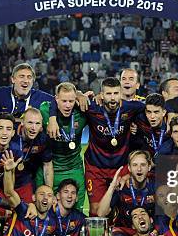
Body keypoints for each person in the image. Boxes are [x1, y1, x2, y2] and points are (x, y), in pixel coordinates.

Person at [48, 77, 144, 216]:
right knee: (95, 211)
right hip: (95, 168)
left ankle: (116, 235)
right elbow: (55, 99)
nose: (112, 98)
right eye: (108, 94)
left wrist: (137, 126)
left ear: (121, 93)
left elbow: (151, 107)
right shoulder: (91, 107)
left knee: (121, 208)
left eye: (116, 93)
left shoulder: (131, 108)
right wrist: (78, 95)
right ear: (102, 94)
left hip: (120, 168)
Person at [98, 150, 156, 236]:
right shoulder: (122, 187)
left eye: (143, 165)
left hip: (147, 231)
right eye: (135, 165)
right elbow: (101, 213)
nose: (139, 169)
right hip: (125, 232)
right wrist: (112, 187)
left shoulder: (155, 187)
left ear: (149, 167)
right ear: (129, 168)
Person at [40, 82, 87, 210]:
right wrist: (52, 118)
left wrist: (81, 95)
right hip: (52, 167)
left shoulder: (82, 112)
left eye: (71, 101)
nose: (67, 105)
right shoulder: (46, 111)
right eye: (64, 101)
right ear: (56, 99)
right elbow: (46, 104)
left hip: (74, 167)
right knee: (49, 209)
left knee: (78, 211)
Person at [131, 94, 168, 158]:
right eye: (149, 112)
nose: (152, 116)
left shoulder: (170, 127)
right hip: (145, 162)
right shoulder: (140, 120)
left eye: (156, 112)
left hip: (165, 163)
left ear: (164, 112)